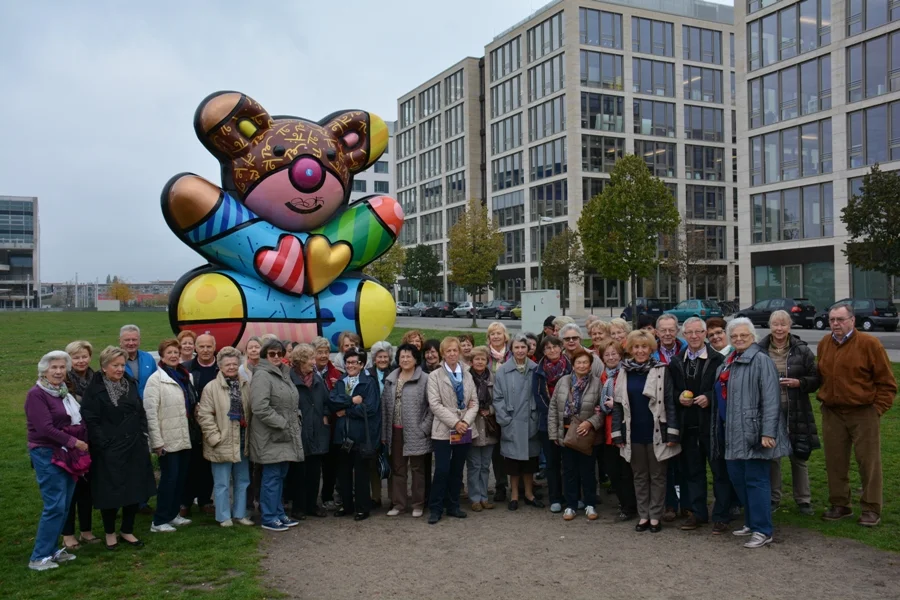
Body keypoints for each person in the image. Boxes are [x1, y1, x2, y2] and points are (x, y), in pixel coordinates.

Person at [816, 302, 896, 527]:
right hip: (832, 412)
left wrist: (876, 409)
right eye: (832, 320)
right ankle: (840, 504)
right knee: (835, 461)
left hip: (863, 412)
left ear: (852, 320)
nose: (835, 324)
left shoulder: (870, 344)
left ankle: (871, 508)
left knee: (868, 462)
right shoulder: (825, 344)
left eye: (840, 319)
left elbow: (887, 383)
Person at [712, 318, 790, 548]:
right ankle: (751, 521)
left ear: (753, 337)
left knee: (756, 481)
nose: (738, 339)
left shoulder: (761, 361)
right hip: (731, 432)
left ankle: (763, 529)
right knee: (739, 479)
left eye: (743, 336)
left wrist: (768, 432)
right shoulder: (729, 361)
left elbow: (771, 398)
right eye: (734, 336)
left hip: (754, 433)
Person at [81, 346, 156, 550]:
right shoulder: (95, 390)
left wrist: (143, 434)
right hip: (109, 449)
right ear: (104, 367)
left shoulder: (130, 384)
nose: (120, 369)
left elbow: (140, 411)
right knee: (111, 492)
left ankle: (127, 529)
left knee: (134, 488)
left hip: (134, 446)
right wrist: (104, 443)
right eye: (115, 365)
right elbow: (91, 419)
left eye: (122, 365)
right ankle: (110, 532)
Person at [25, 351, 90, 570]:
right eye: (54, 367)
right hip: (47, 453)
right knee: (54, 505)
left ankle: (52, 551)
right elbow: (44, 428)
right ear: (44, 370)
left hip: (66, 453)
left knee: (64, 504)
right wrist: (74, 441)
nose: (59, 371)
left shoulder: (63, 392)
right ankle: (39, 557)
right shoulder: (37, 394)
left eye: (62, 367)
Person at [667, 317, 732, 533]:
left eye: (698, 332)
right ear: (683, 336)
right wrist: (679, 398)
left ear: (705, 334)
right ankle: (698, 513)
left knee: (719, 472)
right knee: (693, 472)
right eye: (689, 333)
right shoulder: (677, 361)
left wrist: (709, 398)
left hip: (712, 426)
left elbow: (725, 388)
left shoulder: (717, 360)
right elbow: (672, 391)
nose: (694, 336)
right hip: (689, 426)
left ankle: (722, 515)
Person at [611, 330, 680, 533]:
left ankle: (655, 516)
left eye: (644, 347)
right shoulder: (623, 372)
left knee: (658, 475)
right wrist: (617, 432)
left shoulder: (661, 370)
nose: (640, 351)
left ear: (651, 348)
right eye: (636, 347)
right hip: (633, 431)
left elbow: (669, 402)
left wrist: (672, 432)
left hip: (656, 430)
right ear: (630, 349)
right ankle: (643, 516)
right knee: (639, 475)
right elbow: (617, 405)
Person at [758, 310, 820, 516]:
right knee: (773, 455)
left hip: (796, 408)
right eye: (775, 324)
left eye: (783, 325)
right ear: (770, 326)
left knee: (799, 454)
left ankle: (803, 500)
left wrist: (799, 382)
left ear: (790, 326)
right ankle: (774, 498)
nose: (779, 329)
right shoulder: (760, 349)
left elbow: (816, 378)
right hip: (770, 410)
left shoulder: (801, 350)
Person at [248, 339, 304, 532]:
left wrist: (295, 418)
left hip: (286, 434)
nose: (277, 357)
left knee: (280, 475)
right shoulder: (262, 375)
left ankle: (279, 513)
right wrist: (282, 423)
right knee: (271, 476)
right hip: (270, 435)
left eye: (280, 353)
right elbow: (259, 407)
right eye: (272, 354)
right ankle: (269, 516)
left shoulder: (284, 374)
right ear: (264, 356)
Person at [197, 346, 254, 527]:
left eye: (234, 364)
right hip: (222, 441)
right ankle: (223, 516)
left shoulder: (245, 385)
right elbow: (204, 415)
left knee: (243, 480)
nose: (231, 367)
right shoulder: (211, 388)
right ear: (220, 367)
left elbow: (249, 412)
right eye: (227, 364)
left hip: (242, 439)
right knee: (221, 482)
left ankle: (239, 513)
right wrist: (215, 437)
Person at [144, 339, 196, 533]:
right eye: (169, 352)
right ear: (162, 356)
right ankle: (159, 520)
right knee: (169, 480)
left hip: (184, 436)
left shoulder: (185, 376)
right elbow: (151, 413)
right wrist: (157, 442)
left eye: (176, 352)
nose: (173, 355)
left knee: (180, 478)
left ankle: (173, 514)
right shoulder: (155, 380)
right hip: (167, 439)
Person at [426, 337, 478, 524]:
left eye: (455, 350)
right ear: (443, 354)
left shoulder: (467, 374)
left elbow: (474, 402)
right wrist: (456, 422)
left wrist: (464, 421)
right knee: (442, 469)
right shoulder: (434, 376)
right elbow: (435, 404)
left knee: (457, 469)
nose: (452, 354)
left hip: (464, 428)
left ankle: (453, 505)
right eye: (448, 351)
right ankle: (436, 507)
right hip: (443, 429)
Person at [548, 347, 603, 521]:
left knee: (587, 471)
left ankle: (590, 504)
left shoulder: (597, 383)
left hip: (586, 434)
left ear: (590, 365)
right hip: (565, 433)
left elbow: (602, 410)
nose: (581, 365)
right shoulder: (563, 382)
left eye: (585, 362)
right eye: (578, 362)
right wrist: (553, 434)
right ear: (573, 365)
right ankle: (571, 505)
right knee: (569, 471)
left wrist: (590, 423)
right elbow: (553, 409)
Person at [381, 343, 432, 517]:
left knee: (418, 469)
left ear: (416, 359)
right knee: (398, 469)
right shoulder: (391, 379)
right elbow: (385, 408)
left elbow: (431, 407)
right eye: (402, 356)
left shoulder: (425, 378)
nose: (405, 359)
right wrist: (384, 434)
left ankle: (418, 504)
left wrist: (424, 428)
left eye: (408, 356)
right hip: (395, 431)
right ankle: (398, 504)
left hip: (416, 432)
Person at [329, 347, 380, 521]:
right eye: (348, 362)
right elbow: (333, 402)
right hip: (342, 435)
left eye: (355, 362)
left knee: (361, 473)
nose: (350, 365)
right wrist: (351, 400)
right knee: (343, 473)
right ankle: (346, 505)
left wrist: (347, 411)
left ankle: (362, 507)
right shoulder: (341, 381)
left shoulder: (369, 382)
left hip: (361, 435)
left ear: (362, 364)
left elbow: (370, 408)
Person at [494, 334, 542, 511]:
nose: (520, 351)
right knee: (513, 462)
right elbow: (497, 398)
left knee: (529, 461)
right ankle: (514, 495)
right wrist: (505, 420)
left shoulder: (536, 369)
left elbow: (540, 394)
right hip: (512, 422)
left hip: (530, 421)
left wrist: (535, 417)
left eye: (523, 347)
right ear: (511, 349)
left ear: (528, 349)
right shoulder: (502, 371)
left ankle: (529, 494)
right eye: (517, 348)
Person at [61, 341, 99, 550]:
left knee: (86, 490)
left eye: (84, 356)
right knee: (70, 491)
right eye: (76, 357)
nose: (81, 360)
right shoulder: (64, 383)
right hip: (70, 445)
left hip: (90, 441)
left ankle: (86, 531)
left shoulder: (95, 378)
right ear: (69, 360)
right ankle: (68, 534)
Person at [288, 344, 331, 518]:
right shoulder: (290, 379)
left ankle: (312, 505)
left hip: (318, 428)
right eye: (310, 359)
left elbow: (327, 400)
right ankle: (299, 507)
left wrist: (326, 415)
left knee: (314, 471)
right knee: (299, 472)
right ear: (300, 362)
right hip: (299, 429)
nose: (314, 362)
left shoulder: (317, 379)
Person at [596, 339, 637, 521]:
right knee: (612, 470)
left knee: (626, 471)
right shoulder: (603, 376)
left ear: (621, 356)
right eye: (607, 354)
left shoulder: (627, 373)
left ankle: (630, 506)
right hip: (607, 430)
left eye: (614, 354)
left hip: (624, 429)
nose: (611, 357)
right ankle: (624, 503)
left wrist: (617, 403)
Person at [533, 335, 569, 513]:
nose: (552, 350)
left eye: (555, 347)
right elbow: (538, 395)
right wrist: (553, 414)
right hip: (546, 422)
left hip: (569, 420)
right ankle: (555, 497)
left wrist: (564, 414)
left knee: (569, 462)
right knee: (552, 462)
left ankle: (571, 496)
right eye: (548, 348)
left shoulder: (570, 367)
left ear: (560, 347)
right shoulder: (539, 371)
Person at [311, 336, 343, 511]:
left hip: (332, 425)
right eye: (320, 352)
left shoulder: (335, 373)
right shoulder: (308, 371)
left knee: (331, 463)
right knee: (314, 464)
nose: (323, 355)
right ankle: (311, 498)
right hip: (314, 424)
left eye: (326, 352)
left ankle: (327, 496)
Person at [466, 346, 498, 512]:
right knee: (474, 465)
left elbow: (500, 399)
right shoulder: (465, 378)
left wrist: (490, 410)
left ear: (487, 361)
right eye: (476, 359)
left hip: (489, 425)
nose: (479, 362)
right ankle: (475, 497)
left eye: (483, 359)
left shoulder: (493, 377)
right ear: (471, 362)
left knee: (485, 465)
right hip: (471, 425)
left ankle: (485, 496)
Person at [119, 325, 156, 398]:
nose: (131, 343)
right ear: (120, 341)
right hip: (124, 404)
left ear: (139, 341)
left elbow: (156, 383)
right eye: (127, 340)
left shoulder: (148, 358)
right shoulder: (113, 360)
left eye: (134, 339)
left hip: (146, 403)